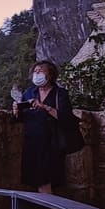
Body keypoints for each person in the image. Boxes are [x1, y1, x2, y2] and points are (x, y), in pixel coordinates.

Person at [10, 59, 75, 194]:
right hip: (32, 144)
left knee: (46, 180)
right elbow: (20, 119)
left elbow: (66, 118)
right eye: (35, 71)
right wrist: (16, 110)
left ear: (50, 74)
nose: (37, 73)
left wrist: (44, 107)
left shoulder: (60, 93)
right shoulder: (29, 93)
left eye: (41, 71)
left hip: (52, 144)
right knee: (37, 180)